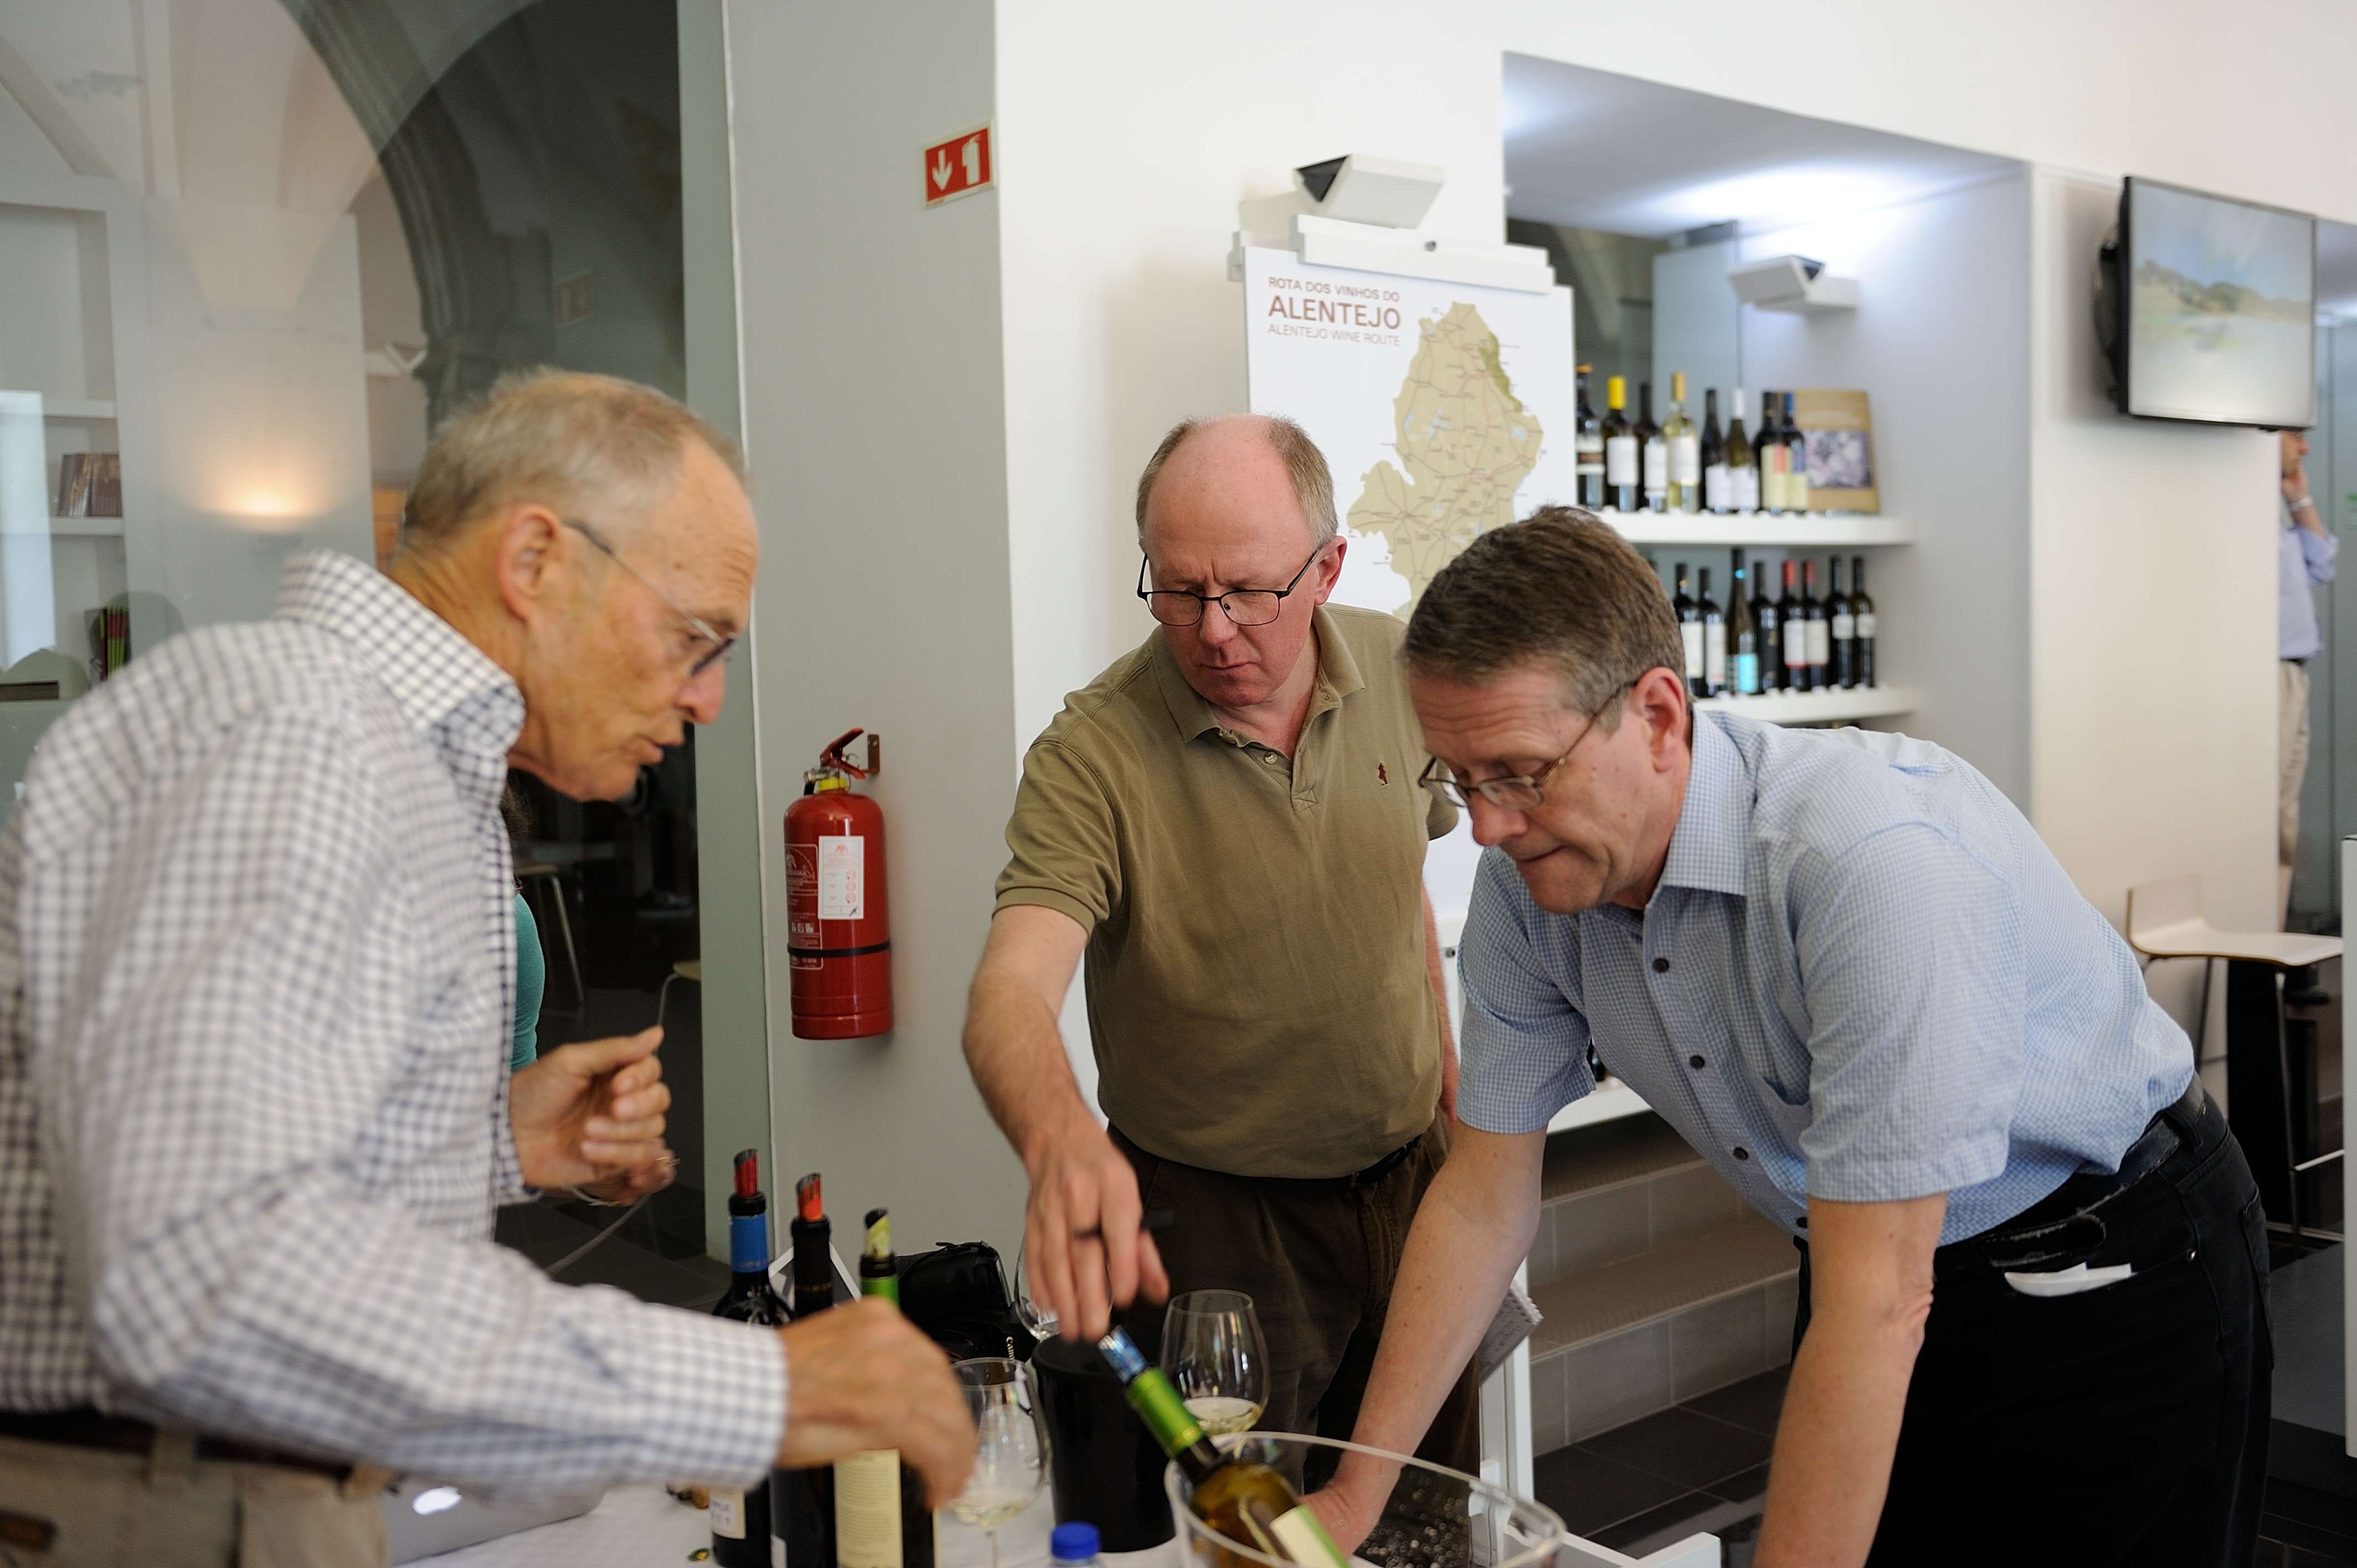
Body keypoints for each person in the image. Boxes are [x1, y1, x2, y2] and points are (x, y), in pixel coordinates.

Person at [0, 370, 972, 1562]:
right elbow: (203, 1273)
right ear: (536, 562)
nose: (710, 700)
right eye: (694, 638)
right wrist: (759, 1388)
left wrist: (485, 1142)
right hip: (160, 1509)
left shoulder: (392, 761)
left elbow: (224, 1156)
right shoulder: (298, 739)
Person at [1313, 508, 2268, 1567]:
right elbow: (1482, 1199)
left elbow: (1880, 1306)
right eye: (1461, 779)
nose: (1490, 826)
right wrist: (1355, 1496)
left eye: (1521, 773)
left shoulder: (1864, 862)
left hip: (2110, 1260)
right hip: (1873, 1264)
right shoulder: (1524, 886)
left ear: (1658, 715)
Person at [963, 414, 1479, 1476]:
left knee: (1422, 1518)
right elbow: (1008, 993)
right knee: (1241, 1525)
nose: (1212, 629)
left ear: (1326, 568)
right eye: (1177, 589)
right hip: (1218, 1230)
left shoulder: (1400, 668)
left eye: (1247, 591)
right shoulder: (1092, 751)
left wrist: (1452, 1090)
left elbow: (1400, 893)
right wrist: (1061, 1145)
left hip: (1414, 1184)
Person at [2278, 425, 2334, 933]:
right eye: (2295, 434)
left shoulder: (2278, 515)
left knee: (2285, 816)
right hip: (2267, 677)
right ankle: (2263, 948)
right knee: (2271, 817)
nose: (2306, 447)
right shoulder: (2240, 514)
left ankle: (2274, 939)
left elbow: (2323, 563)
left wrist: (2300, 499)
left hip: (2294, 676)